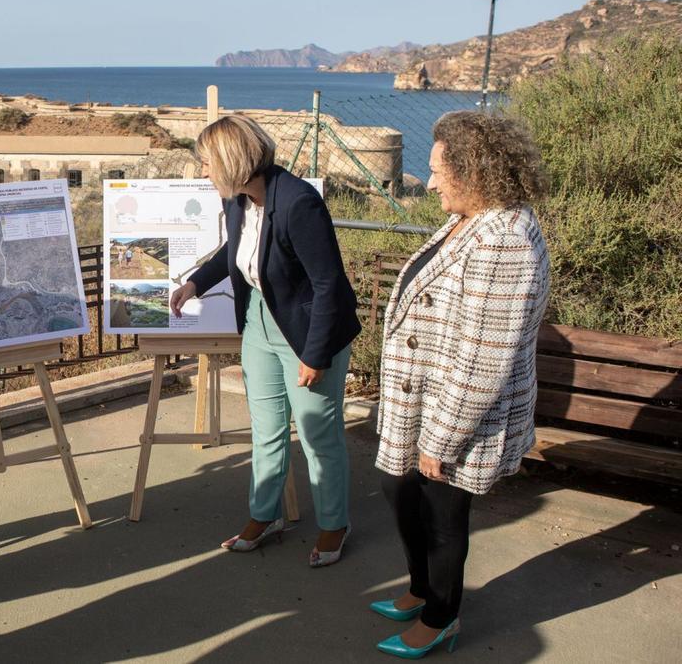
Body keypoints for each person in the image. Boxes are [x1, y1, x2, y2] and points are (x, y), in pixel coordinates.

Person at [370, 111, 550, 659]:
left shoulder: (505, 240)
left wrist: (441, 440)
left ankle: (441, 615)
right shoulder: (476, 219)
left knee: (442, 514)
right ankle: (422, 587)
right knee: (400, 491)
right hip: (423, 399)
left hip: (456, 413)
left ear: (475, 169)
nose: (429, 182)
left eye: (438, 168)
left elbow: (483, 361)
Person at [171, 116, 360, 566]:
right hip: (259, 320)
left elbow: (329, 285)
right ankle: (265, 514)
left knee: (318, 435)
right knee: (267, 430)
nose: (203, 173)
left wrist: (315, 355)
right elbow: (236, 252)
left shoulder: (298, 203)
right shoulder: (239, 200)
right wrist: (195, 283)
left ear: (234, 162)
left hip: (308, 330)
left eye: (207, 164)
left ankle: (334, 525)